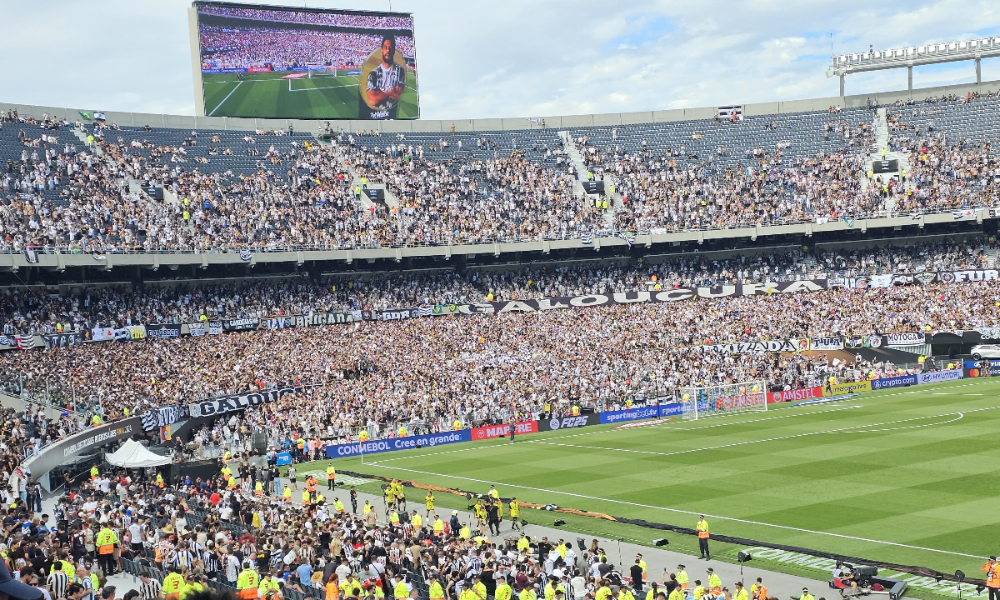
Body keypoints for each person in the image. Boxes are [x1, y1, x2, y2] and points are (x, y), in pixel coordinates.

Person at [365, 36, 406, 118]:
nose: (388, 50)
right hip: (376, 115)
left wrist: (379, 93)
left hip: (393, 114)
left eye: (390, 47)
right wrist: (390, 92)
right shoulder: (373, 73)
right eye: (385, 47)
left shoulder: (400, 71)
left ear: (394, 50)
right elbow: (372, 100)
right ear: (382, 50)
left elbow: (397, 95)